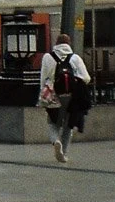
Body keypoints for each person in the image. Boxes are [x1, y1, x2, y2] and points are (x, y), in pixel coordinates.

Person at [38, 33, 91, 164]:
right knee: (68, 125)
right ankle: (64, 153)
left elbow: (43, 78)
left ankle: (56, 141)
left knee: (52, 123)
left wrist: (43, 95)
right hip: (72, 97)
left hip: (54, 95)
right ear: (69, 44)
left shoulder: (47, 57)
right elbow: (86, 78)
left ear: (56, 43)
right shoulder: (75, 58)